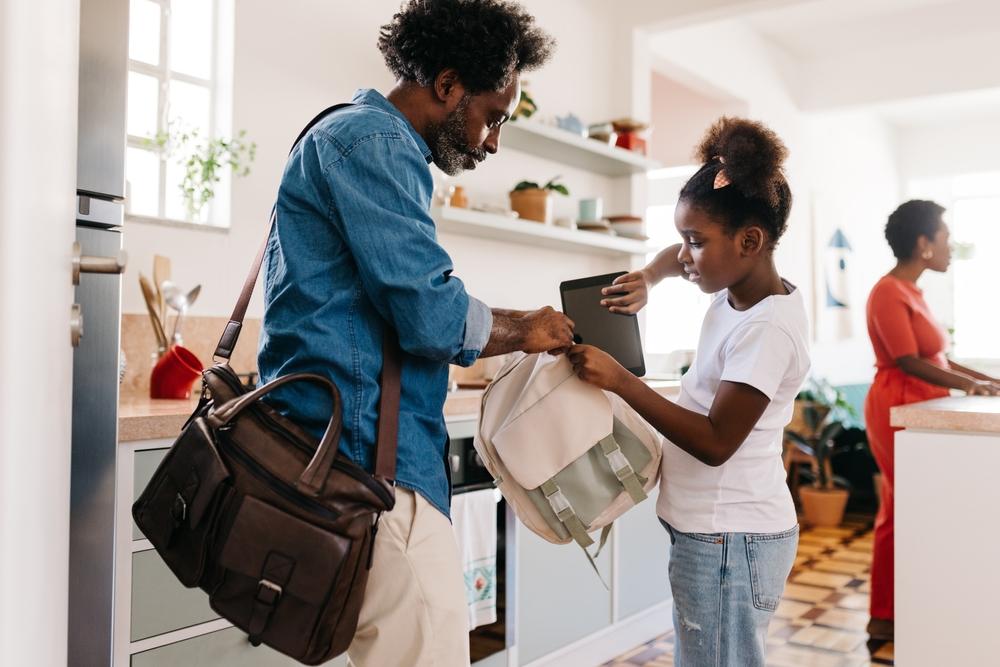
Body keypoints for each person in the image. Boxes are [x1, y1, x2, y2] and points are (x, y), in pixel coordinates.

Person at [255, 2, 571, 665]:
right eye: (493, 116)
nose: (491, 141)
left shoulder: (340, 135)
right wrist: (527, 328)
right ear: (449, 84)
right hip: (374, 473)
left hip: (341, 459)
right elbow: (429, 316)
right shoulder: (377, 144)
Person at [567, 118, 809, 666]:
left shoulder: (766, 330)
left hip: (732, 537)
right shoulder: (738, 291)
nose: (684, 255)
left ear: (750, 241)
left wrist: (622, 381)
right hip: (713, 531)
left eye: (695, 242)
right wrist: (648, 279)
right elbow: (674, 261)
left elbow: (717, 440)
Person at [863, 200, 1000, 641]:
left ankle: (913, 605)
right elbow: (906, 359)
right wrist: (971, 387)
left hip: (925, 405)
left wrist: (984, 380)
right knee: (903, 507)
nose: (949, 247)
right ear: (922, 243)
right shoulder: (887, 290)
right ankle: (885, 614)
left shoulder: (914, 291)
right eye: (944, 237)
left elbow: (939, 356)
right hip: (897, 405)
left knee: (913, 507)